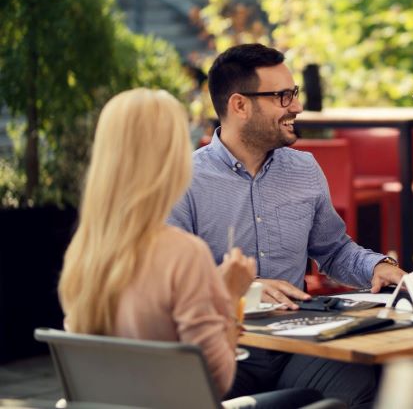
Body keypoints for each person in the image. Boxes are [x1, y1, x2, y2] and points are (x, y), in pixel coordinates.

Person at [168, 43, 406, 408]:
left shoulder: (304, 169)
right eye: (282, 96)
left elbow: (333, 248)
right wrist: (242, 288)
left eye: (293, 93)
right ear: (239, 106)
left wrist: (376, 266)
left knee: (373, 368)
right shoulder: (183, 180)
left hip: (298, 343)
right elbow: (170, 281)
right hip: (225, 350)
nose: (296, 106)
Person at [58, 88, 322, 408]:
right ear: (170, 156)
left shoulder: (85, 251)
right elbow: (216, 380)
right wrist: (228, 297)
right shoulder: (183, 254)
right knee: (323, 399)